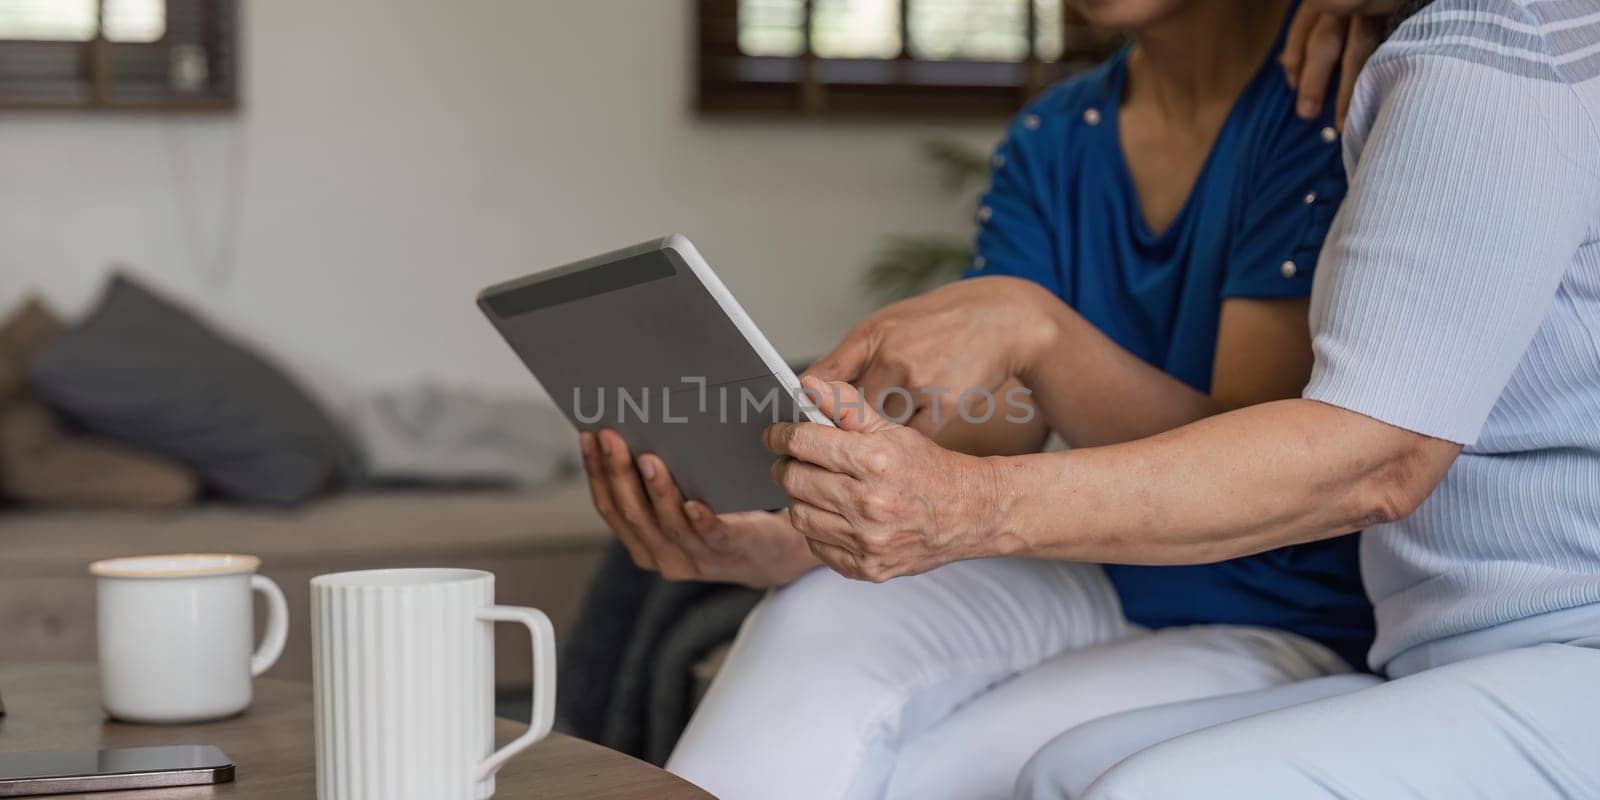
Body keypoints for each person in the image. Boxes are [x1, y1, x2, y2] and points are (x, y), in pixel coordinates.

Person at [766, 0, 1600, 796]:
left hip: (1429, 630)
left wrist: (973, 494)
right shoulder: (1069, 131)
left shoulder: (1469, 57)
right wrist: (809, 522)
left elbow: (1370, 461)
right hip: (1435, 647)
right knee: (1054, 766)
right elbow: (992, 422)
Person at [578, 1, 1380, 796]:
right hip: (1089, 563)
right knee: (816, 619)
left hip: (1277, 611)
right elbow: (999, 430)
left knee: (942, 778)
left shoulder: (1322, 106)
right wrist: (797, 533)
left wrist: (1039, 332)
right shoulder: (1057, 134)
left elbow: (1254, 464)